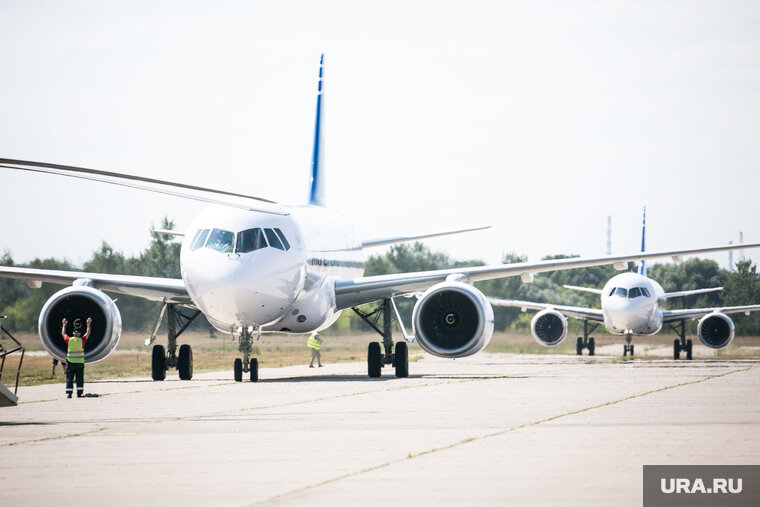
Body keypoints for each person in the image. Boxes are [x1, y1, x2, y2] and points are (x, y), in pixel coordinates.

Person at [62, 317, 91, 398]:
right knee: (79, 379)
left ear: (73, 333)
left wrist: (64, 325)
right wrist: (88, 324)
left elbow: (63, 334)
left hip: (71, 362)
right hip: (79, 363)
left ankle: (69, 393)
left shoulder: (69, 340)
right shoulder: (82, 340)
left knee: (69, 378)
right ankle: (79, 393)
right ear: (79, 334)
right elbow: (88, 333)